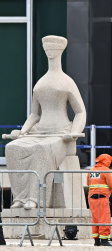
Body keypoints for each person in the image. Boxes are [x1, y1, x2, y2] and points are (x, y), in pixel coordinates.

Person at [4, 35, 86, 210]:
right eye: (47, 48)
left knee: (42, 150)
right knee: (12, 148)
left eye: (53, 49)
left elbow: (80, 112)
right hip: (39, 132)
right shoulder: (41, 82)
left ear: (60, 51)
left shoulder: (67, 82)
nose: (50, 51)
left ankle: (35, 199)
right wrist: (23, 131)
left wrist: (73, 133)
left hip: (61, 135)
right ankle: (19, 197)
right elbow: (34, 114)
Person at [87, 154, 112, 247]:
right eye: (109, 162)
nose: (110, 164)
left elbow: (88, 183)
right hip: (102, 198)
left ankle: (96, 241)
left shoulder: (91, 170)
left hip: (91, 198)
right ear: (106, 161)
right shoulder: (106, 170)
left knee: (95, 219)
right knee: (104, 219)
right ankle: (104, 241)